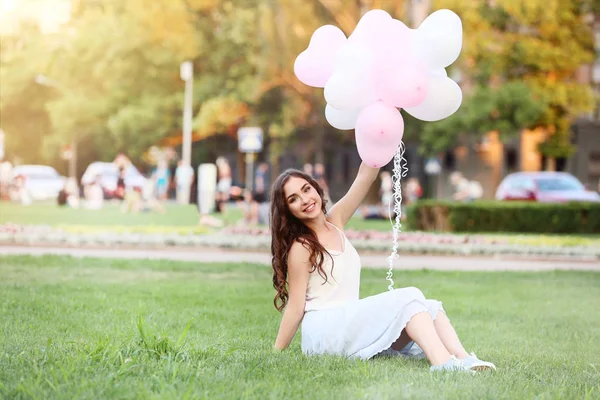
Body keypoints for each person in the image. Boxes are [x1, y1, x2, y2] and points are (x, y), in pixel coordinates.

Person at [269, 164, 496, 372]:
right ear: (288, 210)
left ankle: (463, 358)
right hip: (325, 331)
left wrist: (381, 130)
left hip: (348, 322)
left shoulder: (335, 221)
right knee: (410, 296)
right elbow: (296, 307)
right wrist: (276, 353)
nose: (305, 199)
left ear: (317, 189)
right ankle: (444, 365)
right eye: (293, 199)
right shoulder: (302, 246)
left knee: (429, 307)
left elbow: (365, 175)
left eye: (306, 189)